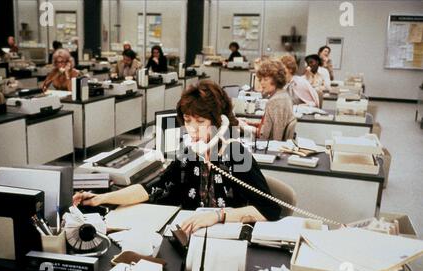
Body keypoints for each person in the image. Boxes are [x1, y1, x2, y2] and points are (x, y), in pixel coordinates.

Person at [73, 80, 282, 234]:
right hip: (189, 235)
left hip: (226, 238)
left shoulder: (235, 153)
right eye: (188, 121)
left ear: (220, 122)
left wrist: (219, 215)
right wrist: (102, 198)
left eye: (200, 122)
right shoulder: (189, 153)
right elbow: (152, 189)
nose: (191, 129)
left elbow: (270, 209)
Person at [255, 59, 295, 141]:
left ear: (276, 80)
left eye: (265, 79)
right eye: (260, 79)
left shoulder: (275, 101)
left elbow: (275, 137)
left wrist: (247, 129)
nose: (262, 83)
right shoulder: (283, 95)